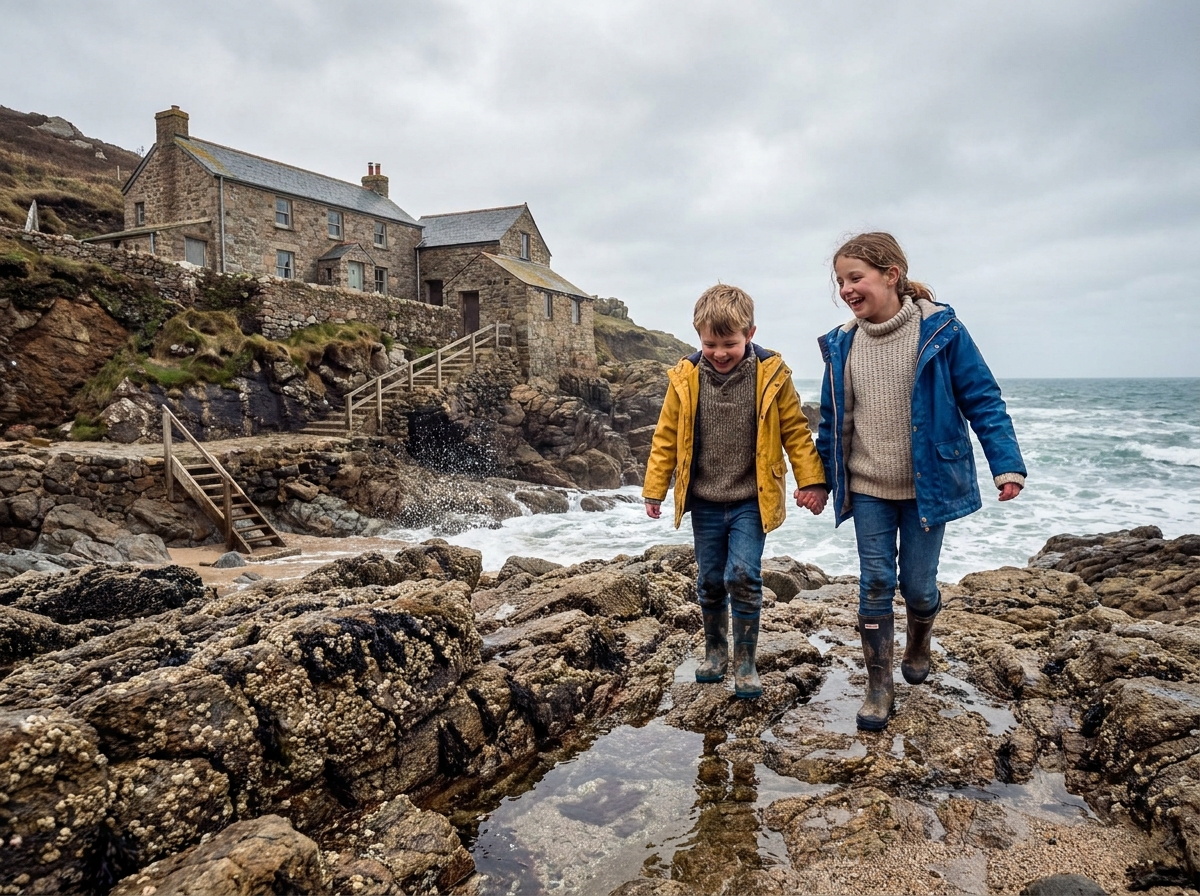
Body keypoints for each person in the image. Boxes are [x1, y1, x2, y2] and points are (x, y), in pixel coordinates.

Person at [814, 232, 1025, 731]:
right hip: (868, 487)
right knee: (875, 584)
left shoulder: (942, 331)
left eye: (855, 277)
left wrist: (1006, 463)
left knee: (918, 586)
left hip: (926, 486)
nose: (846, 288)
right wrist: (819, 481)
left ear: (891, 275)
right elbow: (832, 420)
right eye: (840, 281)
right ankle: (878, 686)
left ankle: (919, 636)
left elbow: (982, 398)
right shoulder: (841, 344)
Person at [644, 284, 827, 698]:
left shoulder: (771, 376)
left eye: (730, 343)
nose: (720, 352)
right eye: (710, 344)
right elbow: (666, 437)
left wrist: (812, 481)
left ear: (750, 333)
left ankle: (745, 662)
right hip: (705, 500)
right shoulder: (686, 379)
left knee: (743, 575)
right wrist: (655, 489)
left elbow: (796, 433)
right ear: (699, 338)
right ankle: (715, 652)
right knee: (710, 580)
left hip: (750, 498)